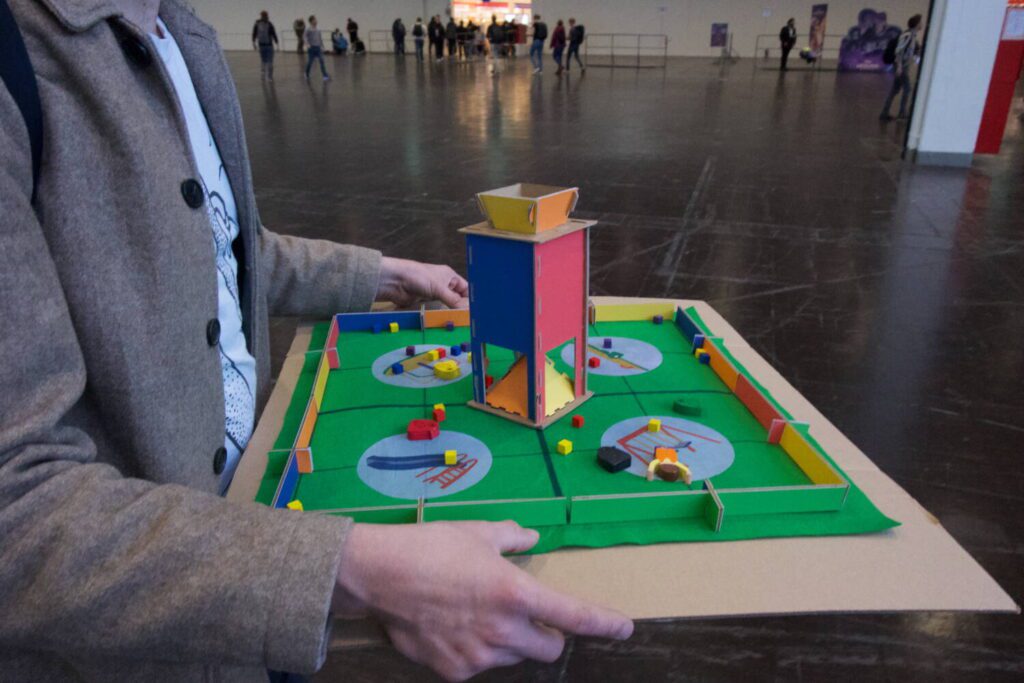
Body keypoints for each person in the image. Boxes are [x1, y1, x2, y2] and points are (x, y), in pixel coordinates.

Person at [0, 1, 635, 681]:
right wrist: (348, 569)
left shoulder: (179, 37)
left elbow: (220, 252)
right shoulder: (20, 64)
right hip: (147, 644)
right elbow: (18, 507)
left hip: (262, 557)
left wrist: (386, 273)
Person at [880, 14, 923, 121]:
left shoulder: (912, 36)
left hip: (903, 66)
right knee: (907, 89)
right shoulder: (908, 35)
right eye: (920, 22)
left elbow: (911, 52)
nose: (922, 24)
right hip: (901, 67)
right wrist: (899, 66)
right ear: (917, 24)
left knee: (894, 90)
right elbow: (899, 50)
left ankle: (884, 113)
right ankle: (902, 113)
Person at [252, 10, 278, 81]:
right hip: (269, 45)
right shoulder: (269, 24)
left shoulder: (257, 24)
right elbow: (273, 33)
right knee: (270, 61)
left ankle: (263, 75)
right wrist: (277, 42)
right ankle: (269, 76)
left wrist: (254, 43)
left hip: (261, 45)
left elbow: (254, 33)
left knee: (263, 61)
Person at [304, 15, 329, 81]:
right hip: (311, 48)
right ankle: (306, 73)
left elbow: (320, 39)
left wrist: (322, 46)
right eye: (314, 20)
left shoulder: (318, 29)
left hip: (318, 48)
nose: (316, 21)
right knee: (310, 62)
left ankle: (325, 75)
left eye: (316, 20)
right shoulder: (308, 29)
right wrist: (307, 44)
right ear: (311, 21)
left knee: (322, 61)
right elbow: (305, 37)